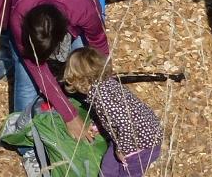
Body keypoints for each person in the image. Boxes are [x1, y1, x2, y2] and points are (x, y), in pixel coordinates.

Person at [0, 0, 109, 177]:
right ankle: (27, 149)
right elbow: (38, 71)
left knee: (82, 54)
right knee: (26, 81)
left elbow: (99, 46)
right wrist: (69, 116)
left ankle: (88, 110)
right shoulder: (19, 16)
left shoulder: (82, 8)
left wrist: (105, 85)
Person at [63, 47, 163, 177]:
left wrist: (122, 149)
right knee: (108, 169)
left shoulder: (102, 97)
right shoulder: (105, 84)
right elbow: (112, 115)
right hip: (132, 135)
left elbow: (126, 123)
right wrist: (96, 125)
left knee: (126, 173)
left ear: (78, 79)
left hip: (140, 145)